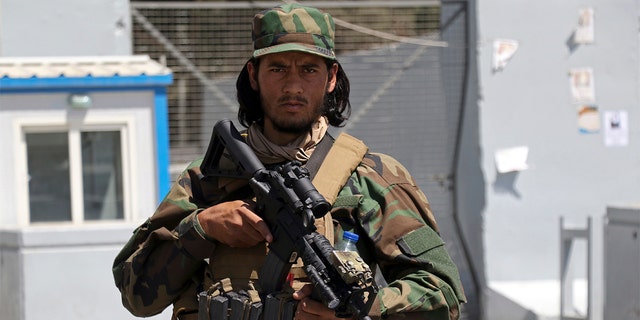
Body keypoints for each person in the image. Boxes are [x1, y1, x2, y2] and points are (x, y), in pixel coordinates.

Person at [113, 3, 466, 320]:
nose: (293, 86)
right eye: (278, 69)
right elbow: (136, 295)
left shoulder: (369, 177)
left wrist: (360, 310)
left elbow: (444, 294)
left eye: (309, 70)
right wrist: (201, 227)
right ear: (254, 76)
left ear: (331, 78)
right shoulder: (208, 176)